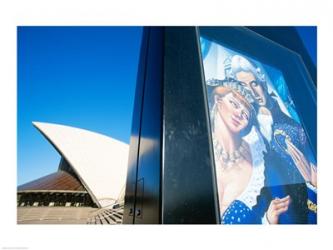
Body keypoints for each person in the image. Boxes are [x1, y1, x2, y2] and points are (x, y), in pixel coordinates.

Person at [229, 55, 317, 223]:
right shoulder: (246, 130)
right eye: (245, 87)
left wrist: (315, 184)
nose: (253, 92)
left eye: (254, 84)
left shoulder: (292, 123)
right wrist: (267, 221)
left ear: (262, 81)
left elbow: (311, 166)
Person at [208, 80, 290, 224]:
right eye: (234, 103)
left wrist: (268, 222)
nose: (239, 113)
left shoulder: (261, 167)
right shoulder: (196, 137)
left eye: (246, 114)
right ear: (218, 100)